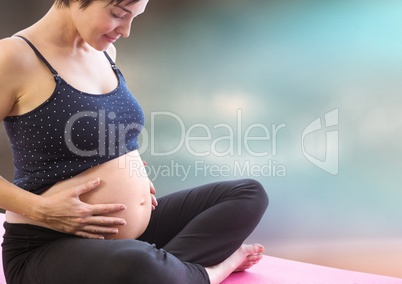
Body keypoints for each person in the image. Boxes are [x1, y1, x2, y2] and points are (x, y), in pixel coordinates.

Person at [0, 0, 269, 283]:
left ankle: (168, 272)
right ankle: (211, 272)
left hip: (129, 237)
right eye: (118, 14)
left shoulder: (105, 52)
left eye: (134, 18)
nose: (126, 30)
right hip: (47, 244)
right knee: (137, 263)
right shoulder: (13, 57)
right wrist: (41, 209)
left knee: (248, 194)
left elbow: (92, 138)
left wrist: (127, 170)